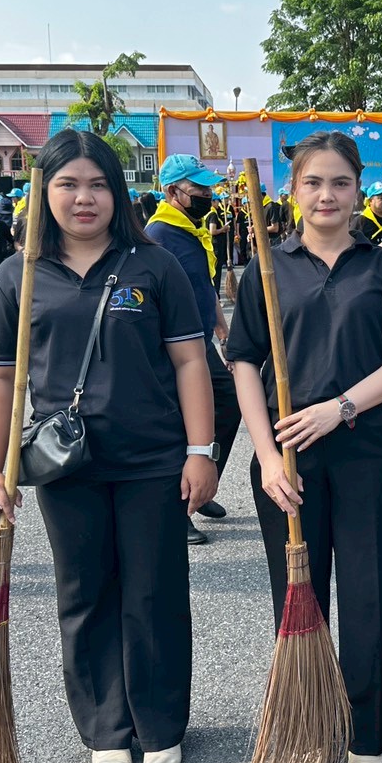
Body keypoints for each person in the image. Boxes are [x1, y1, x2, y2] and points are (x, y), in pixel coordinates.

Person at [0, 128, 216, 763]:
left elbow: (191, 360)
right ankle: (106, 726)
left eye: (98, 184)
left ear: (119, 191)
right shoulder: (16, 276)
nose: (84, 198)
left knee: (154, 593)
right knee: (83, 592)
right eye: (68, 184)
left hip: (153, 462)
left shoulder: (152, 264)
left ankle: (161, 723)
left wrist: (201, 451)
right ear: (43, 192)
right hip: (64, 467)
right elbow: (0, 378)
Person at [226, 131, 382, 763]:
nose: (326, 195)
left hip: (365, 446)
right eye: (313, 182)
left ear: (358, 189)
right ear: (293, 190)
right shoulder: (265, 266)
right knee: (297, 592)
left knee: (369, 590)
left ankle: (368, 730)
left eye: (339, 182)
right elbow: (244, 362)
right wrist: (265, 456)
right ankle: (308, 721)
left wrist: (340, 407)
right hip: (287, 455)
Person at [147, 153, 242, 546]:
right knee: (179, 425)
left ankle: (202, 484)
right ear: (173, 192)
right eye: (198, 189)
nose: (207, 195)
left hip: (200, 340)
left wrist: (222, 330)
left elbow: (204, 288)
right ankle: (174, 506)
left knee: (228, 402)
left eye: (207, 188)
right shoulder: (159, 236)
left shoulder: (191, 229)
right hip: (173, 348)